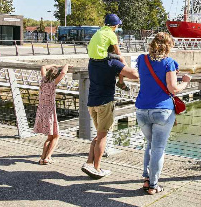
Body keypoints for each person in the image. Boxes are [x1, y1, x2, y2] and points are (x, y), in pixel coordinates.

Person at [135, 32, 191, 195]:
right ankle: (153, 185)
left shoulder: (141, 59)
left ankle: (146, 179)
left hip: (142, 110)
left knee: (150, 144)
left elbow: (147, 74)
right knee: (158, 147)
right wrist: (185, 83)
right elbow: (173, 88)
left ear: (152, 44)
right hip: (162, 111)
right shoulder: (169, 63)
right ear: (169, 46)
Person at [81, 49, 139, 178]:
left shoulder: (92, 61)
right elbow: (135, 75)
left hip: (92, 102)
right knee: (102, 136)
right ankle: (96, 168)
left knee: (99, 135)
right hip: (105, 102)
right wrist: (123, 61)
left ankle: (89, 163)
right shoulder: (112, 62)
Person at [33, 63, 69, 165]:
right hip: (50, 112)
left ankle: (42, 158)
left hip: (41, 110)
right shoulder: (53, 84)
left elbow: (43, 67)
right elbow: (63, 72)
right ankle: (48, 157)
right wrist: (66, 64)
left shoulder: (43, 80)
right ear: (55, 76)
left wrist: (53, 64)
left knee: (49, 136)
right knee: (56, 136)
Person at [87, 13, 129, 91]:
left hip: (92, 57)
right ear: (115, 26)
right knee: (121, 59)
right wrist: (125, 65)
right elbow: (118, 52)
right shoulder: (111, 34)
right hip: (101, 56)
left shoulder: (99, 31)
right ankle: (121, 82)